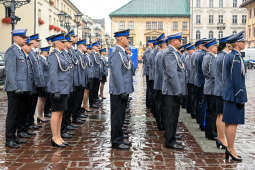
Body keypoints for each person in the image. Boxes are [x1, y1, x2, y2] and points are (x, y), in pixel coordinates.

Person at [223, 31, 247, 162]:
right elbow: (237, 79)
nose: (244, 43)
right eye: (243, 41)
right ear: (237, 43)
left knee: (229, 123)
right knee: (232, 124)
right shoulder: (235, 57)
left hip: (229, 93)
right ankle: (231, 149)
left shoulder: (231, 55)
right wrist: (240, 97)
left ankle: (229, 148)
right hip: (234, 95)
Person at [4, 29, 31, 148]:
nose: (25, 39)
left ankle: (14, 136)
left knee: (19, 113)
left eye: (25, 37)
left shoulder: (19, 51)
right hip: (14, 89)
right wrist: (15, 88)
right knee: (12, 114)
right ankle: (9, 139)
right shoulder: (11, 51)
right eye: (22, 37)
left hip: (22, 88)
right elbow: (10, 72)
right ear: (15, 38)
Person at [109, 29, 134, 149]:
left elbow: (129, 69)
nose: (128, 40)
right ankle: (116, 141)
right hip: (119, 91)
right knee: (117, 116)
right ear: (120, 39)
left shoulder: (123, 52)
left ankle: (119, 137)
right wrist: (122, 90)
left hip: (123, 89)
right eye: (126, 38)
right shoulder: (116, 53)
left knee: (121, 116)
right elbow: (116, 73)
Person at [47, 33, 73, 148]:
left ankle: (59, 136)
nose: (64, 44)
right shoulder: (54, 56)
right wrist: (56, 90)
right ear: (56, 43)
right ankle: (54, 137)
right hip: (57, 89)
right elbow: (52, 74)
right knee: (56, 113)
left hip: (64, 88)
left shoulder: (62, 55)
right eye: (62, 42)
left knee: (61, 113)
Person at [162, 32, 186, 150]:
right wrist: (178, 91)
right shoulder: (169, 53)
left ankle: (171, 136)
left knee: (173, 115)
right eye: (178, 40)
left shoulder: (174, 53)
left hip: (173, 90)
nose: (180, 42)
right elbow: (172, 74)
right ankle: (170, 141)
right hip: (172, 91)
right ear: (172, 41)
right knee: (171, 116)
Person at [213, 35, 232, 149]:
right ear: (227, 44)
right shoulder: (224, 56)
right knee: (221, 115)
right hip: (222, 89)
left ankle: (221, 137)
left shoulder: (219, 56)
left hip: (219, 88)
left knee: (220, 114)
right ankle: (221, 138)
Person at [27, 34, 44, 132]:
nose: (38, 43)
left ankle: (31, 123)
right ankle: (28, 124)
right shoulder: (30, 53)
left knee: (32, 105)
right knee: (29, 106)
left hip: (36, 84)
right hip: (31, 84)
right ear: (32, 41)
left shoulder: (35, 52)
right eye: (36, 41)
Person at [202, 38, 218, 140]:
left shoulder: (207, 56)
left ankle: (209, 132)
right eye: (215, 46)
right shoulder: (211, 58)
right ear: (211, 48)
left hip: (209, 86)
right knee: (212, 112)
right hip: (212, 87)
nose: (216, 48)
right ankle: (211, 133)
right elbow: (213, 74)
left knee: (210, 111)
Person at [153, 39, 167, 130]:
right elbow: (163, 71)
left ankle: (160, 123)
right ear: (164, 45)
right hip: (161, 83)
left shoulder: (159, 53)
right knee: (161, 105)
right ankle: (161, 124)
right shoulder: (161, 54)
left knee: (160, 104)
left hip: (159, 82)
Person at [37, 46, 50, 123]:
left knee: (44, 100)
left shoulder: (45, 59)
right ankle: (40, 115)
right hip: (43, 83)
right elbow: (40, 72)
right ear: (43, 52)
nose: (48, 53)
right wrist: (42, 84)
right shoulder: (41, 60)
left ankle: (41, 115)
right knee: (41, 100)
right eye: (47, 52)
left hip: (46, 83)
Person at [184, 44, 195, 115]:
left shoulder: (188, 56)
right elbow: (190, 69)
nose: (194, 51)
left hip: (189, 78)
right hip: (190, 79)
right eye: (193, 49)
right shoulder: (189, 57)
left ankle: (189, 109)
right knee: (191, 96)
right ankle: (190, 110)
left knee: (190, 95)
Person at [142, 40, 154, 108]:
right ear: (150, 44)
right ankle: (149, 103)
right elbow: (149, 61)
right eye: (153, 43)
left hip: (148, 71)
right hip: (149, 72)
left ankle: (148, 103)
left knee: (149, 88)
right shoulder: (149, 51)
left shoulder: (148, 50)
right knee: (149, 88)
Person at [83, 44, 94, 112]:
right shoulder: (85, 56)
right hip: (87, 75)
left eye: (91, 49)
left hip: (90, 75)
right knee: (86, 92)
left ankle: (86, 105)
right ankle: (85, 105)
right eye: (89, 49)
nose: (91, 50)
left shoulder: (89, 56)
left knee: (88, 91)